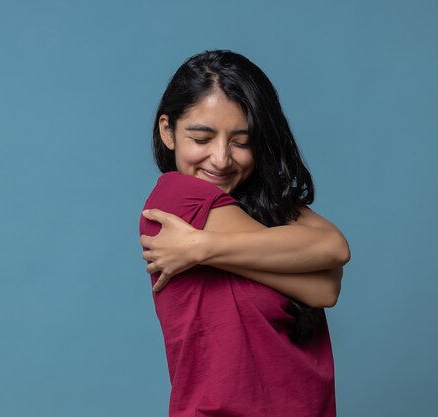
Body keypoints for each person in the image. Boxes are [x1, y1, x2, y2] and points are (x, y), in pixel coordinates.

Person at [139, 50, 351, 417]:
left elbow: (333, 254)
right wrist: (294, 258)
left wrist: (202, 247)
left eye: (240, 142)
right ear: (167, 131)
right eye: (202, 138)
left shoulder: (258, 210)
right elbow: (322, 284)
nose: (221, 159)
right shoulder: (178, 197)